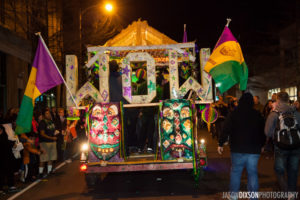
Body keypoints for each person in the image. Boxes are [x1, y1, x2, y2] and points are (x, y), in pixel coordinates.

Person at [218, 93, 266, 200]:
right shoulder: (257, 114)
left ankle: (234, 196)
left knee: (236, 172)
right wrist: (262, 145)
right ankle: (253, 197)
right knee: (252, 173)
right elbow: (262, 132)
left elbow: (226, 129)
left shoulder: (234, 114)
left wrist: (221, 143)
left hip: (237, 149)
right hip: (254, 149)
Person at [265, 92, 300, 200]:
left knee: (279, 171)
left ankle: (285, 192)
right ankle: (292, 194)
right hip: (296, 146)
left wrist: (276, 136)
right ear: (288, 99)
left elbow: (267, 132)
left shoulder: (274, 113)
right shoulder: (296, 113)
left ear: (278, 100)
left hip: (280, 147)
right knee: (293, 171)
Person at [38, 110, 57, 178]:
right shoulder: (42, 123)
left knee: (51, 158)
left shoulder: (51, 122)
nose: (48, 115)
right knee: (43, 158)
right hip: (44, 143)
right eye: (46, 114)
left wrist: (55, 133)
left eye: (49, 113)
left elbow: (53, 130)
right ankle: (40, 173)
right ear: (43, 115)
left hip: (52, 142)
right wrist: (52, 138)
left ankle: (49, 171)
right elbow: (42, 134)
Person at [0, 125, 18, 193]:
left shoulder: (4, 136)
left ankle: (11, 186)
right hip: (2, 159)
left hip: (7, 158)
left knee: (9, 172)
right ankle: (1, 188)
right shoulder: (3, 138)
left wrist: (13, 143)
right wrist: (12, 143)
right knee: (1, 173)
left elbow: (9, 143)